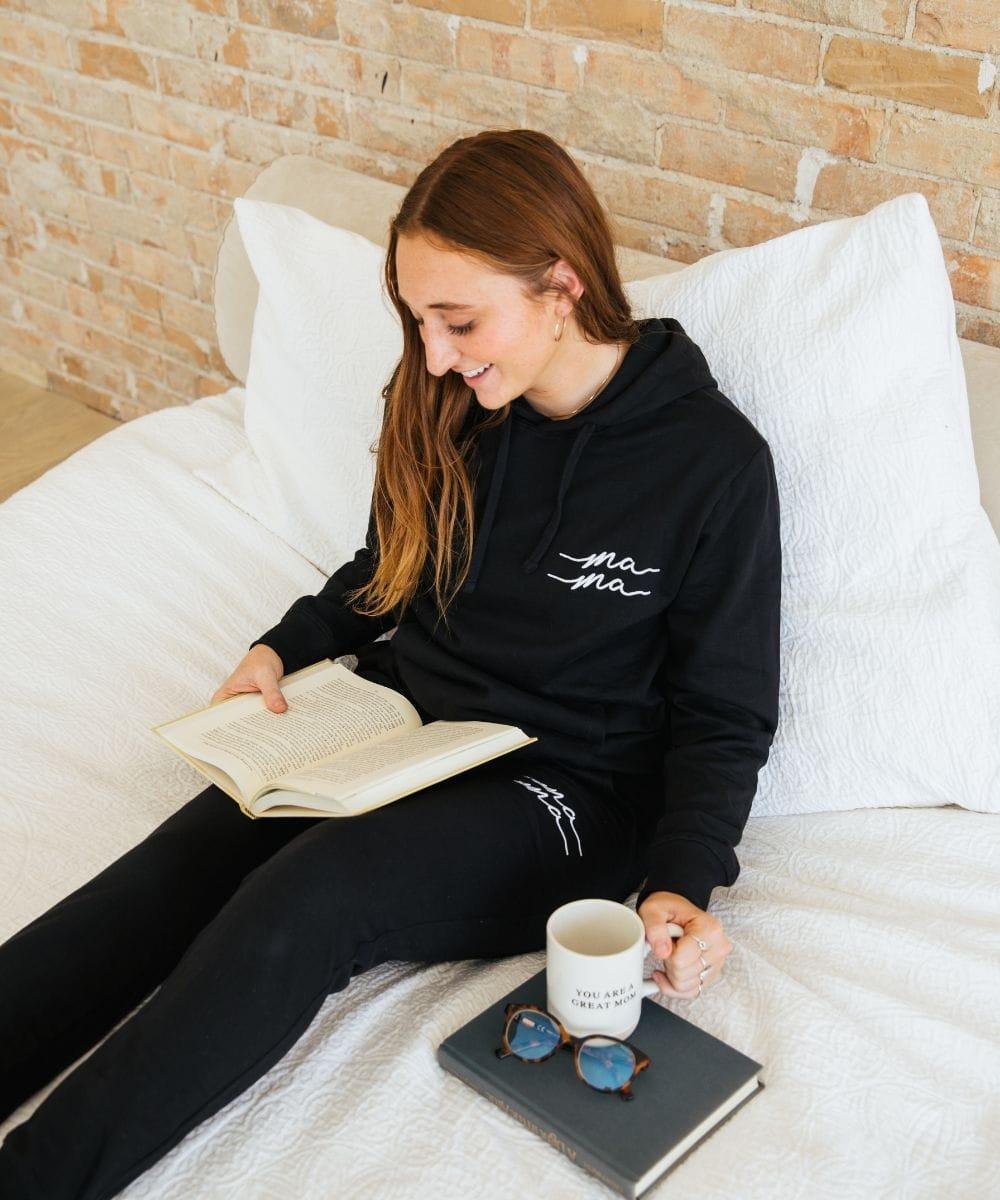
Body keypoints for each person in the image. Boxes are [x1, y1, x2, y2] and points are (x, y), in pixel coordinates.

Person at [0, 128, 780, 1199]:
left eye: (458, 321)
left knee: (311, 897)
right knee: (184, 860)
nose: (433, 355)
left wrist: (684, 877)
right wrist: (287, 644)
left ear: (561, 285)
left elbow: (724, 708)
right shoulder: (461, 403)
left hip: (566, 789)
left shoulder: (713, 465)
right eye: (418, 321)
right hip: (405, 723)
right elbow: (389, 568)